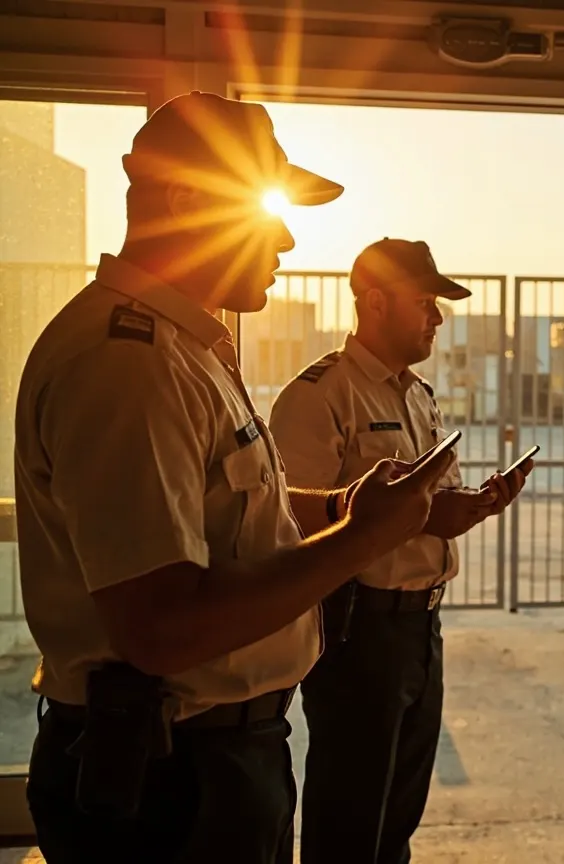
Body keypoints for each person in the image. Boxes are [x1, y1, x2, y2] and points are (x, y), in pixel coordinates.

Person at [15, 92, 456, 864]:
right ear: (187, 201)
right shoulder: (128, 364)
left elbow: (217, 509)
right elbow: (161, 628)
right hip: (172, 786)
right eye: (265, 208)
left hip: (213, 759)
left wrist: (340, 505)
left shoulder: (183, 347)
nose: (285, 237)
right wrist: (359, 541)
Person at [268, 238, 533, 864]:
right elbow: (293, 523)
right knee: (351, 820)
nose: (438, 317)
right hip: (358, 628)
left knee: (397, 819)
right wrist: (419, 518)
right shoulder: (320, 396)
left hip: (420, 627)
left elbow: (422, 506)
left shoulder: (418, 395)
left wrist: (467, 507)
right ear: (376, 302)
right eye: (425, 302)